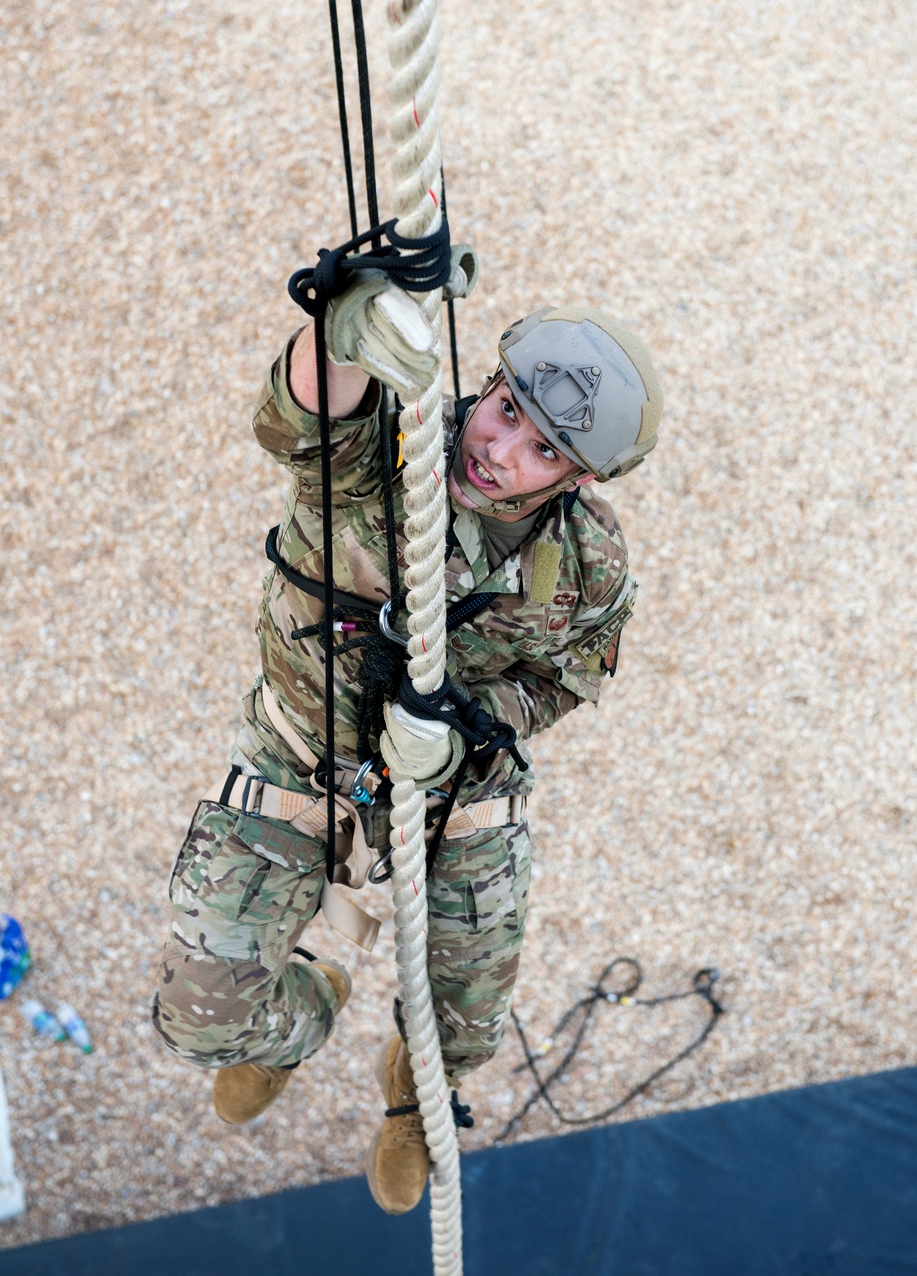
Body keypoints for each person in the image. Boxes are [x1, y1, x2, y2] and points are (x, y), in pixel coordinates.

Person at [152, 274, 662, 1215]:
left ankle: (410, 1089)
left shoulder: (590, 564)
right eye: (506, 409)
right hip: (305, 753)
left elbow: (574, 674)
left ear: (578, 479)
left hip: (454, 792)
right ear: (493, 384)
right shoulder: (391, 449)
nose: (499, 449)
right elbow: (303, 415)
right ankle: (320, 984)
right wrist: (342, 326)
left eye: (541, 449)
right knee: (201, 1026)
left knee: (468, 1029)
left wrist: (478, 725)